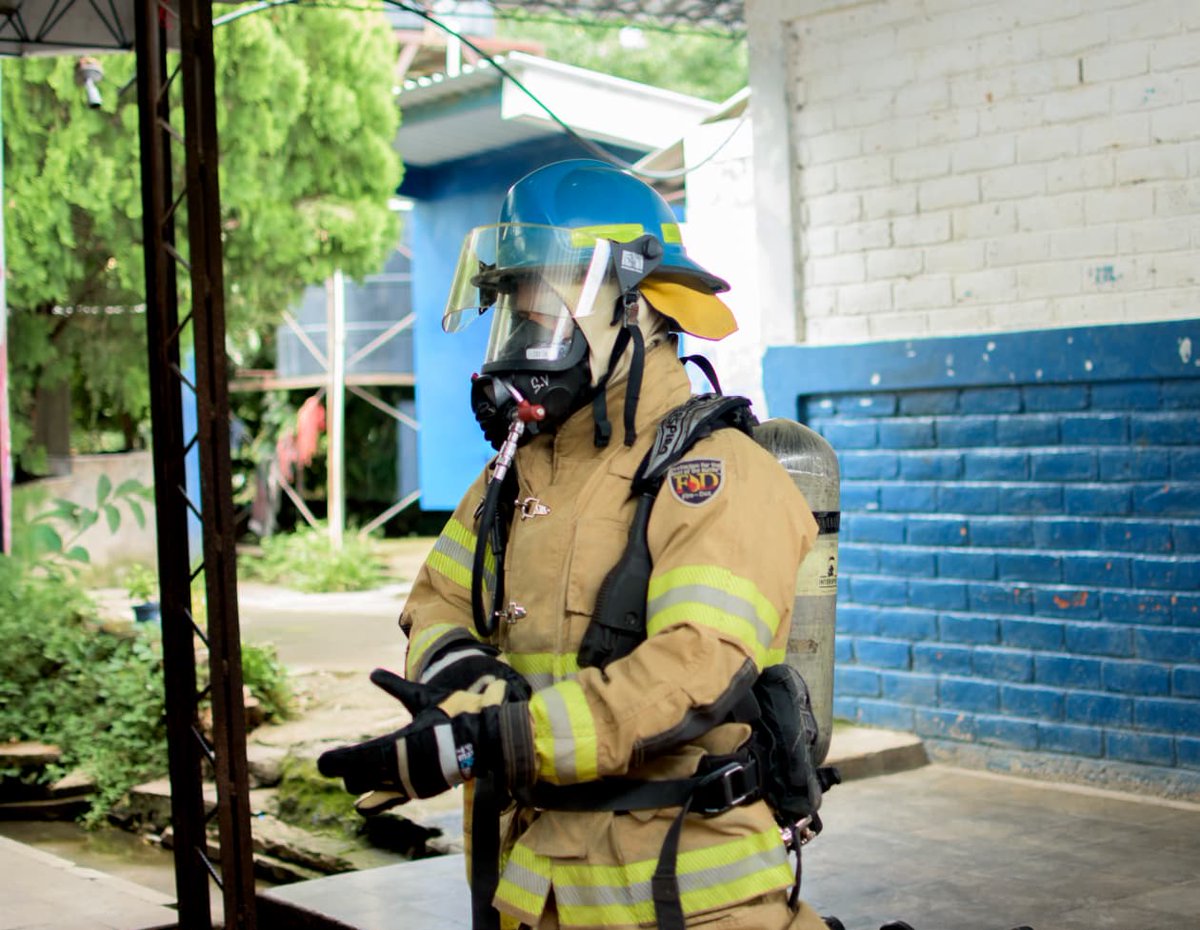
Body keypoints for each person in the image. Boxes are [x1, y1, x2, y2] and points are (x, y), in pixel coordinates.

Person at [318, 159, 828, 930]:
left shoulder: (718, 474)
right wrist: (470, 685)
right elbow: (439, 600)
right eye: (516, 311)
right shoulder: (518, 472)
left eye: (548, 308)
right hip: (536, 888)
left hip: (687, 900)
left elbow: (691, 671)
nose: (526, 335)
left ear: (639, 309)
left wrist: (494, 742)